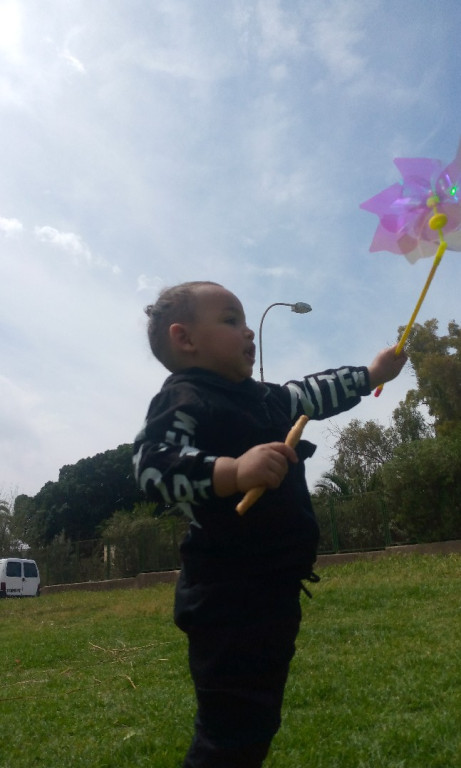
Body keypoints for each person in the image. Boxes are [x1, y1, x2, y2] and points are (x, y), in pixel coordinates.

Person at [133, 280, 406, 768]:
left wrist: (371, 374)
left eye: (245, 321)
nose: (248, 332)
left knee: (255, 721)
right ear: (185, 338)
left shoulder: (267, 398)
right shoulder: (185, 399)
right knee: (229, 732)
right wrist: (233, 471)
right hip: (226, 597)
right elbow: (152, 465)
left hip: (273, 591)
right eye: (231, 320)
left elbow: (314, 392)